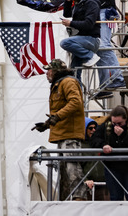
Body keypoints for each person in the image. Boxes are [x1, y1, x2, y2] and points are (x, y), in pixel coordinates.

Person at [66, 0, 126, 95]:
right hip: (101, 11)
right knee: (100, 46)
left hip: (105, 11)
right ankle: (106, 83)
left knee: (104, 45)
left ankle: (117, 79)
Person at [31, 59, 87, 201]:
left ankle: (79, 197)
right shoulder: (60, 84)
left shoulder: (67, 82)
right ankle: (67, 199)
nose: (46, 73)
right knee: (65, 170)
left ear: (56, 71)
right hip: (64, 134)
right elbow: (61, 112)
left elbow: (75, 102)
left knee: (72, 167)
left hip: (70, 134)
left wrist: (55, 118)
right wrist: (46, 124)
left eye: (48, 70)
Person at [89, 105, 128, 201]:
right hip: (112, 167)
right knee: (115, 198)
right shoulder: (106, 126)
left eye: (120, 123)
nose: (116, 126)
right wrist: (103, 145)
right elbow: (94, 139)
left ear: (126, 119)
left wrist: (123, 135)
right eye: (114, 123)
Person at [58, 0, 102, 70]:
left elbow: (88, 24)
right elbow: (67, 14)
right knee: (75, 69)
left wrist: (71, 23)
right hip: (81, 40)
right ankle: (76, 82)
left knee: (65, 43)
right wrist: (67, 2)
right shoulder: (79, 4)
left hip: (91, 39)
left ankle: (91, 56)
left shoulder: (91, 4)